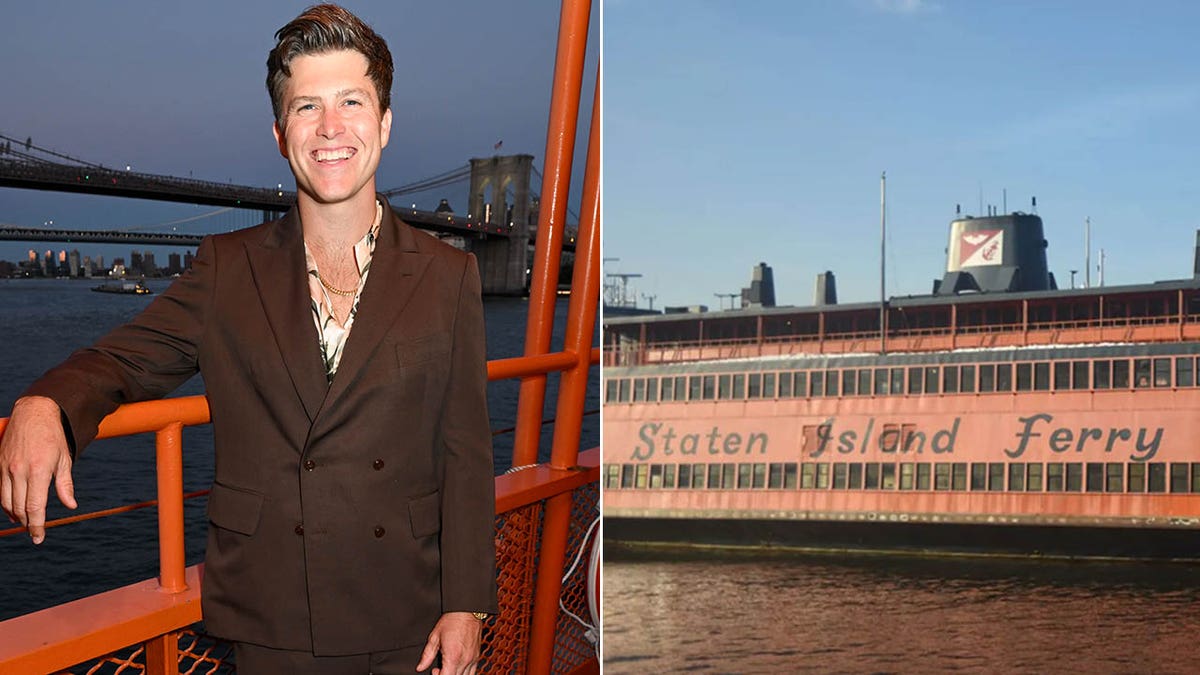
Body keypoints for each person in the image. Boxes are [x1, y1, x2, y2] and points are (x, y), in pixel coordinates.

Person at [0, 5, 496, 673]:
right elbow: (121, 359)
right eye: (306, 107)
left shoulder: (449, 274)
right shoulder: (225, 267)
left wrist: (468, 602)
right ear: (279, 132)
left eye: (351, 101)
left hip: (407, 612)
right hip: (274, 614)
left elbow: (465, 452)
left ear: (384, 123)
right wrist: (44, 404)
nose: (330, 128)